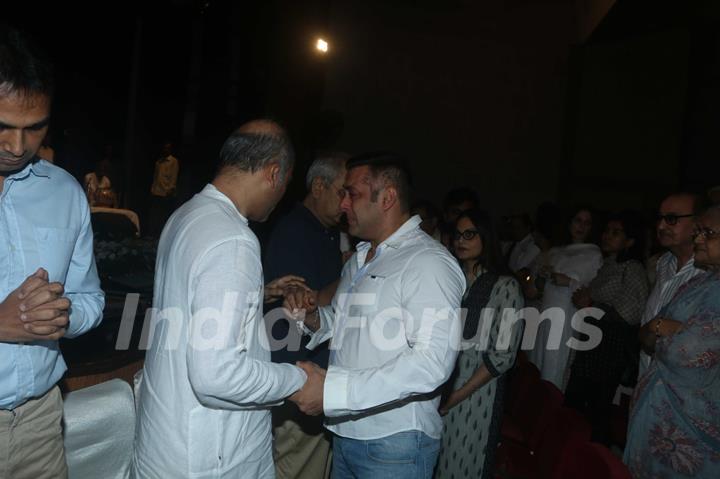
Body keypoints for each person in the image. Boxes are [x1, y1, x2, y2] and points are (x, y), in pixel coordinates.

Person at [133, 121, 319, 478]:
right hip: (208, 456)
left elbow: (189, 300)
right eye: (284, 185)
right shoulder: (233, 239)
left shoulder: (186, 215)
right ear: (274, 173)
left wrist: (256, 293)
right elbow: (216, 375)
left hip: (166, 440)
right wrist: (297, 382)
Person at [285, 152, 465, 479]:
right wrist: (312, 318)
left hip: (395, 443)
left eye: (352, 194)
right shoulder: (360, 258)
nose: (343, 204)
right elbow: (341, 323)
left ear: (387, 198)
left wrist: (335, 391)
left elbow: (432, 362)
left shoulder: (427, 262)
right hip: (347, 432)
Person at [0, 26, 105, 478]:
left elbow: (92, 299)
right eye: (2, 126)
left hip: (40, 422)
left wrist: (62, 316)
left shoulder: (65, 192)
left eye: (33, 128)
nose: (17, 146)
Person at [264, 152, 348, 479]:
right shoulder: (296, 231)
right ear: (318, 186)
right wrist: (355, 273)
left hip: (313, 376)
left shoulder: (324, 233)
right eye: (343, 192)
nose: (347, 203)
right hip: (298, 378)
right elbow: (299, 305)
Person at [624, 205, 720, 478]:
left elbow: (687, 354)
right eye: (698, 231)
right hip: (659, 426)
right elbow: (648, 329)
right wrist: (665, 327)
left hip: (692, 433)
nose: (698, 239)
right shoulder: (701, 283)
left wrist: (663, 330)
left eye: (708, 233)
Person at [435, 210, 524, 479]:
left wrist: (456, 396)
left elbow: (502, 356)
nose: (461, 240)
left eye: (470, 234)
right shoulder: (451, 280)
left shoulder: (505, 286)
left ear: (486, 237)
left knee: (461, 466)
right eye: (458, 235)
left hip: (476, 394)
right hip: (440, 385)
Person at [566, 211, 649, 444]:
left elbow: (630, 314)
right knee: (577, 407)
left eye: (616, 232)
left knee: (597, 412)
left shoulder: (631, 268)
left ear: (630, 241)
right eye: (606, 231)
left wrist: (591, 304)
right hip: (592, 344)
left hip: (609, 348)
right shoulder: (609, 265)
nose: (607, 236)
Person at [528, 206, 603, 390]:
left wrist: (569, 281)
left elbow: (594, 290)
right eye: (578, 220)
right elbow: (535, 289)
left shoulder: (593, 254)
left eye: (587, 223)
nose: (582, 226)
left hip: (567, 317)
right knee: (537, 364)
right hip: (545, 314)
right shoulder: (556, 251)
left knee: (555, 368)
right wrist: (541, 278)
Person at [638, 193, 704, 379]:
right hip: (647, 380)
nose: (660, 226)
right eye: (660, 218)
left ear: (698, 223)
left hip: (681, 390)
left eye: (671, 219)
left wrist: (657, 327)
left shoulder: (709, 273)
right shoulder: (663, 263)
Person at [148, 140, 179, 236]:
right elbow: (155, 177)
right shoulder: (159, 162)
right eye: (165, 148)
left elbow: (174, 177)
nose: (166, 150)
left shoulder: (173, 161)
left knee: (164, 215)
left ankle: (162, 234)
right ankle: (153, 233)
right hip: (156, 192)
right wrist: (152, 189)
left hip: (166, 193)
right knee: (155, 215)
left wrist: (170, 190)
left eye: (168, 148)